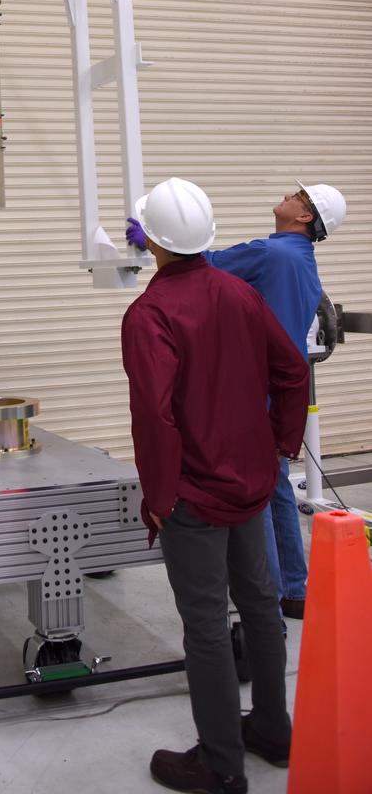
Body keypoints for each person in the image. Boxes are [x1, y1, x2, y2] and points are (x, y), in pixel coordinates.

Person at [121, 178, 308, 794]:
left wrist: (159, 497)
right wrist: (279, 446)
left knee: (204, 625)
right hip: (250, 484)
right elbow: (291, 371)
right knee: (260, 606)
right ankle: (274, 732)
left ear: (150, 239)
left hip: (195, 497)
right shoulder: (239, 293)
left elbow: (155, 415)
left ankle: (222, 764)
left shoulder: (150, 313)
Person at [127, 178, 346, 620]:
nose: (287, 195)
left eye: (297, 197)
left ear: (305, 217)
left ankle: (261, 614)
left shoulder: (272, 252)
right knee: (277, 490)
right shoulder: (303, 260)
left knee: (255, 504)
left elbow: (201, 263)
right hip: (277, 396)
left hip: (252, 398)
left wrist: (154, 239)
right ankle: (294, 590)